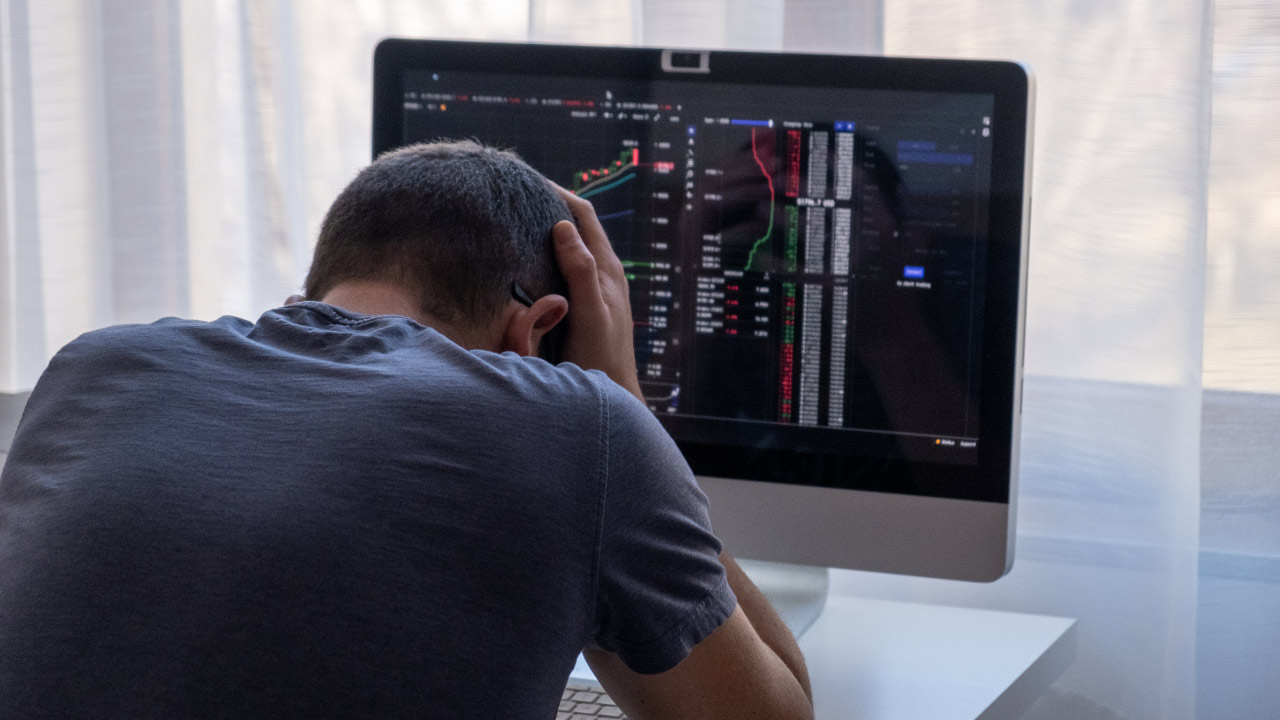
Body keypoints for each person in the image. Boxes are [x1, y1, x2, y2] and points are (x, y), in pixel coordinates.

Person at [0, 141, 813, 719]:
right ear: (539, 331)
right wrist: (621, 397)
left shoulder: (94, 368)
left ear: (307, 299)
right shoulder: (582, 424)